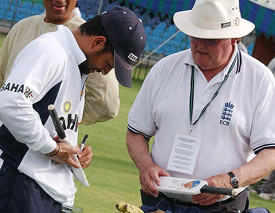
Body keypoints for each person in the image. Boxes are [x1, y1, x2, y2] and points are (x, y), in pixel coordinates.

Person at [126, 0, 275, 212]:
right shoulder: (164, 69)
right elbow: (136, 133)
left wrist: (229, 180)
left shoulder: (259, 79)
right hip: (159, 201)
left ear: (235, 37)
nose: (200, 46)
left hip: (223, 205)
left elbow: (270, 153)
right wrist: (146, 166)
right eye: (195, 37)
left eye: (211, 40)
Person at [0, 6, 146, 212]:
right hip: (21, 185)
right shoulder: (51, 50)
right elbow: (10, 102)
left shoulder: (77, 64)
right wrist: (52, 149)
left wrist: (74, 151)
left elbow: (51, 122)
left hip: (45, 190)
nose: (105, 72)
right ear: (98, 42)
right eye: (109, 63)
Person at [0, 0, 120, 126]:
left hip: (45, 138)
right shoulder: (22, 27)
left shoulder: (87, 39)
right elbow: (2, 78)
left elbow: (106, 104)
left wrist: (61, 120)